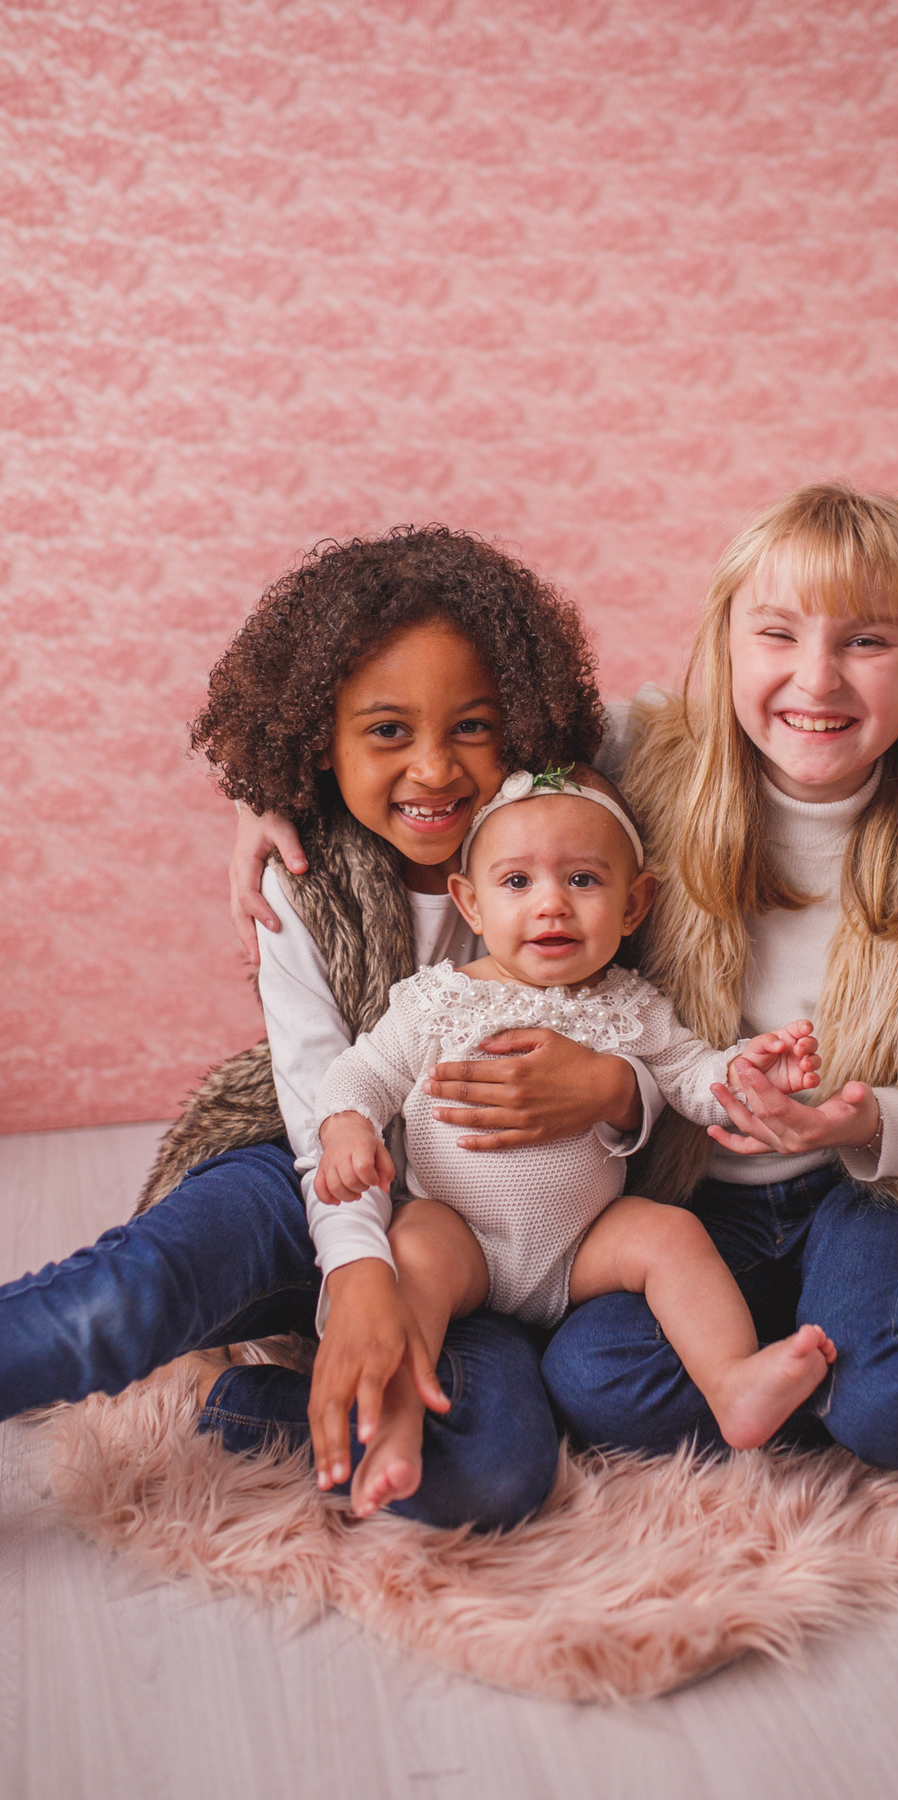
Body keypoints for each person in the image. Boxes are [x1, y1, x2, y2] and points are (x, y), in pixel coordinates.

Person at [235, 485, 898, 1472]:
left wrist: (862, 1121)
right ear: (727, 644)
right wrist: (276, 798)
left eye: (867, 642)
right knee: (594, 1381)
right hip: (707, 1203)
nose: (816, 679)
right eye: (777, 634)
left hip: (872, 1196)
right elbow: (478, 751)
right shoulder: (651, 758)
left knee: (889, 1397)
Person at [0, 526, 663, 1531]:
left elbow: (655, 722)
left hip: (477, 1243)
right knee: (127, 1298)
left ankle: (237, 1399)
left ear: (527, 726)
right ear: (321, 741)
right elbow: (320, 1107)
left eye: (475, 726)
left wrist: (618, 1090)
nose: (434, 767)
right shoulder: (301, 884)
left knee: (494, 1475)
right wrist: (356, 1269)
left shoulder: (570, 833)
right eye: (387, 730)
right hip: (305, 1168)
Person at [309, 763, 836, 1513]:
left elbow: (691, 1078)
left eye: (583, 880)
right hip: (462, 1233)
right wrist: (348, 1129)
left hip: (581, 1245)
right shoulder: (440, 1001)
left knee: (671, 1234)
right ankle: (394, 1426)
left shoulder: (631, 1006)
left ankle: (732, 1384)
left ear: (634, 904)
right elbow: (363, 1072)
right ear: (471, 902)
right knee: (413, 1255)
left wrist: (746, 1071)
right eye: (517, 882)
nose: (551, 903)